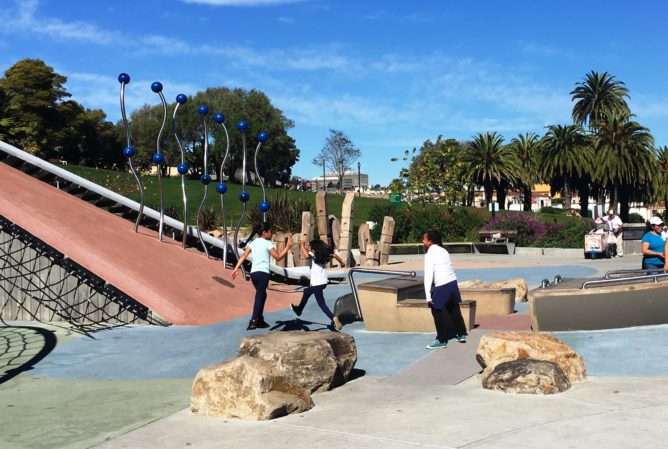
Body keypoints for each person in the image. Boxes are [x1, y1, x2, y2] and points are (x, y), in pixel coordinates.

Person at [232, 223, 293, 330]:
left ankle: (260, 319)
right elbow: (278, 257)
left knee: (263, 294)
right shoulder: (267, 243)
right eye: (270, 232)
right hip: (263, 273)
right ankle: (253, 320)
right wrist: (287, 247)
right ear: (265, 233)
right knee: (260, 295)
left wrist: (236, 268)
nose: (272, 233)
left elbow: (243, 255)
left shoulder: (253, 242)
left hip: (254, 274)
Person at [422, 229, 468, 350]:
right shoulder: (444, 251)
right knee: (453, 308)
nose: (422, 241)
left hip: (442, 284)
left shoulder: (429, 254)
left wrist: (428, 296)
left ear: (430, 241)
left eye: (424, 239)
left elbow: (428, 276)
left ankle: (442, 340)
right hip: (452, 283)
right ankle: (461, 333)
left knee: (435, 310)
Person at [290, 239, 346, 330]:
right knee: (306, 291)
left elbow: (306, 255)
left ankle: (333, 317)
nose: (309, 248)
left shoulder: (314, 255)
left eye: (310, 246)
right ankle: (299, 310)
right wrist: (342, 263)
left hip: (317, 284)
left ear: (314, 248)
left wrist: (302, 246)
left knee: (321, 303)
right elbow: (335, 255)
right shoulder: (323, 255)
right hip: (323, 282)